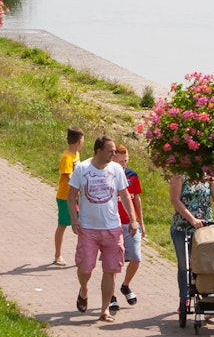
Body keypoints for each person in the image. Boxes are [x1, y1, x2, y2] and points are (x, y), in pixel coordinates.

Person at [68, 136, 136, 323]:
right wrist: (74, 219)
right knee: (85, 267)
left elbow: (125, 195)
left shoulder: (116, 169)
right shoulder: (82, 168)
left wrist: (133, 219)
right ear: (99, 151)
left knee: (111, 269)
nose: (113, 154)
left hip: (112, 228)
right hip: (88, 228)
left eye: (114, 151)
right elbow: (71, 195)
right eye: (110, 151)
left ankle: (104, 309)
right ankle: (84, 289)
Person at [169, 175, 214, 314]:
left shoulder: (210, 177)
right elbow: (175, 200)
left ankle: (207, 295)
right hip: (182, 227)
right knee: (185, 265)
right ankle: (184, 297)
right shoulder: (180, 175)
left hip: (205, 228)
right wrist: (192, 219)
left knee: (206, 263)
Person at [112, 144, 145, 310]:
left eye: (126, 161)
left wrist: (141, 222)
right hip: (113, 224)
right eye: (121, 161)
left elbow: (136, 199)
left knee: (136, 258)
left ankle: (125, 285)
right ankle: (111, 296)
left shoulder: (132, 175)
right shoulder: (109, 175)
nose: (124, 164)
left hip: (131, 224)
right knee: (114, 263)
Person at [53, 126, 85, 266]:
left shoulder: (76, 155)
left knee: (82, 225)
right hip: (65, 197)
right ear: (79, 141)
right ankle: (58, 255)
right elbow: (69, 177)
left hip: (77, 197)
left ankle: (81, 255)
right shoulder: (66, 158)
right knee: (63, 225)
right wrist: (78, 190)